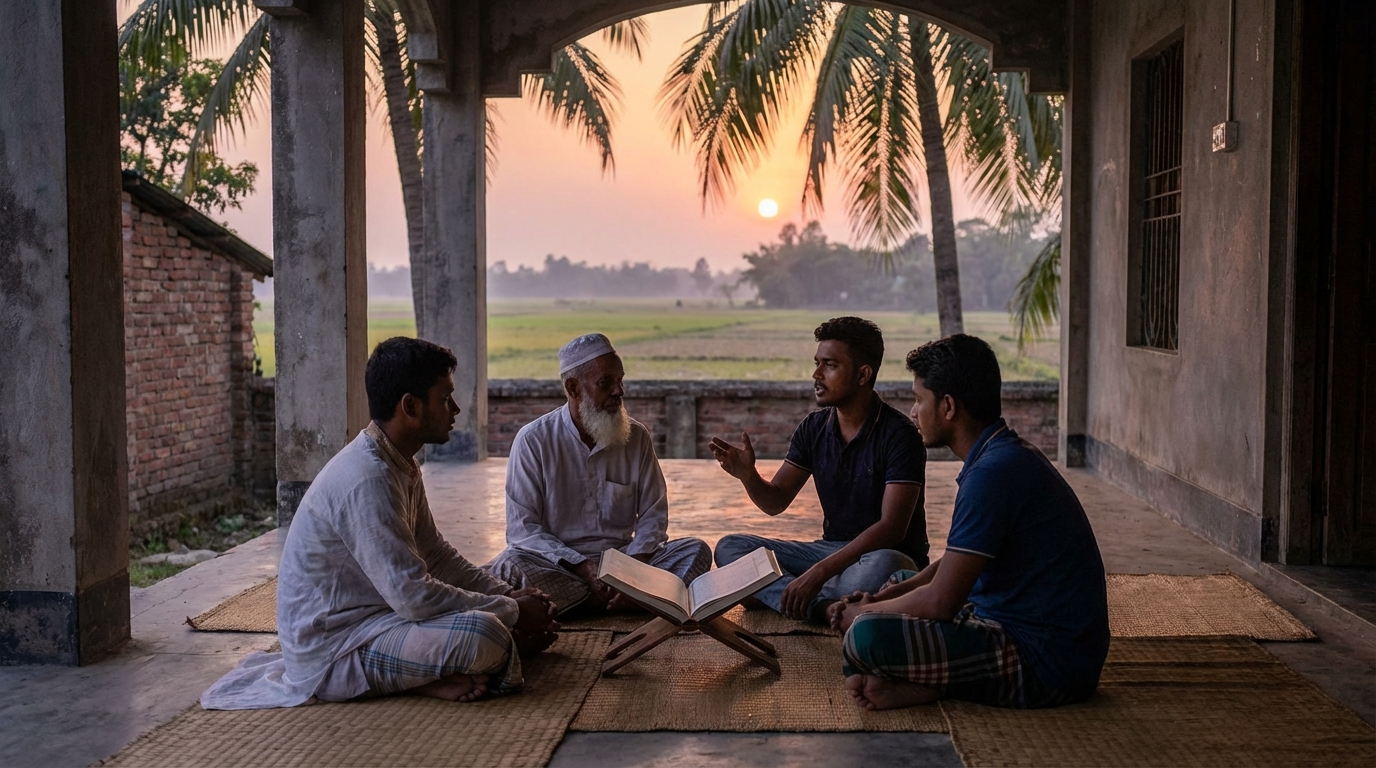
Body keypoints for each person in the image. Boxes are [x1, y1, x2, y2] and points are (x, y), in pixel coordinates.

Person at [201, 337, 560, 710]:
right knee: (485, 634)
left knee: (501, 608)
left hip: (381, 622)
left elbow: (435, 554)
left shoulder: (400, 461)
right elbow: (414, 596)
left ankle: (430, 676)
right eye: (444, 398)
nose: (455, 409)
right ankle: (411, 680)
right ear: (410, 406)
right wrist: (511, 612)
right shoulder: (368, 478)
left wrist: (507, 595)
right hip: (335, 652)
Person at [830, 334, 1109, 711]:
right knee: (895, 583)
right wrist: (882, 598)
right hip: (1004, 621)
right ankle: (931, 681)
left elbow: (942, 601)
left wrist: (863, 613)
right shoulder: (997, 456)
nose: (913, 412)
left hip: (1045, 663)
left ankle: (933, 680)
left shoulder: (993, 473)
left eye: (918, 400)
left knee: (865, 635)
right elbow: (958, 563)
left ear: (947, 406)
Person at [711, 317, 928, 623]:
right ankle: (824, 607)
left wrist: (817, 573)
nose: (816, 374)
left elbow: (892, 528)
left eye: (830, 365)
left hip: (880, 557)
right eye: (817, 363)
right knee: (731, 547)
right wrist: (749, 477)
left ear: (863, 374)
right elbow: (775, 501)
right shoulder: (813, 428)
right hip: (828, 552)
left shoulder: (899, 435)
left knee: (887, 567)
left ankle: (783, 592)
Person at [487, 333, 712, 615]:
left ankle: (594, 602)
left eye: (620, 381)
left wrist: (630, 573)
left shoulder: (636, 436)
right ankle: (634, 601)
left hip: (628, 565)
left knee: (696, 551)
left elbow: (654, 516)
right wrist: (582, 568)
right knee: (510, 565)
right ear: (573, 388)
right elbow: (523, 530)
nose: (619, 391)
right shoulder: (534, 440)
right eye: (606, 384)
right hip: (564, 567)